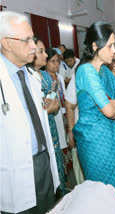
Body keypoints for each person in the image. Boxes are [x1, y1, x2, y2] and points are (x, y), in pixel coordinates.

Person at [0, 11, 59, 214]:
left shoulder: (32, 75)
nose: (34, 46)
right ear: (6, 43)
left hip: (43, 161)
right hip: (13, 170)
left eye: (32, 39)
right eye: (26, 40)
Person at [73, 21, 115, 199]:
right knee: (104, 195)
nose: (114, 50)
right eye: (110, 45)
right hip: (96, 144)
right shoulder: (86, 71)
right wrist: (114, 106)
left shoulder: (105, 72)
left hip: (114, 141)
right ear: (95, 46)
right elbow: (109, 111)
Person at [43, 48, 68, 196]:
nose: (56, 64)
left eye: (57, 61)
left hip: (61, 114)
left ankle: (64, 177)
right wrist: (53, 89)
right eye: (52, 61)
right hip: (51, 116)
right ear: (46, 63)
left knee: (63, 148)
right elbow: (47, 102)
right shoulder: (44, 78)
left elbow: (63, 96)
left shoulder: (58, 76)